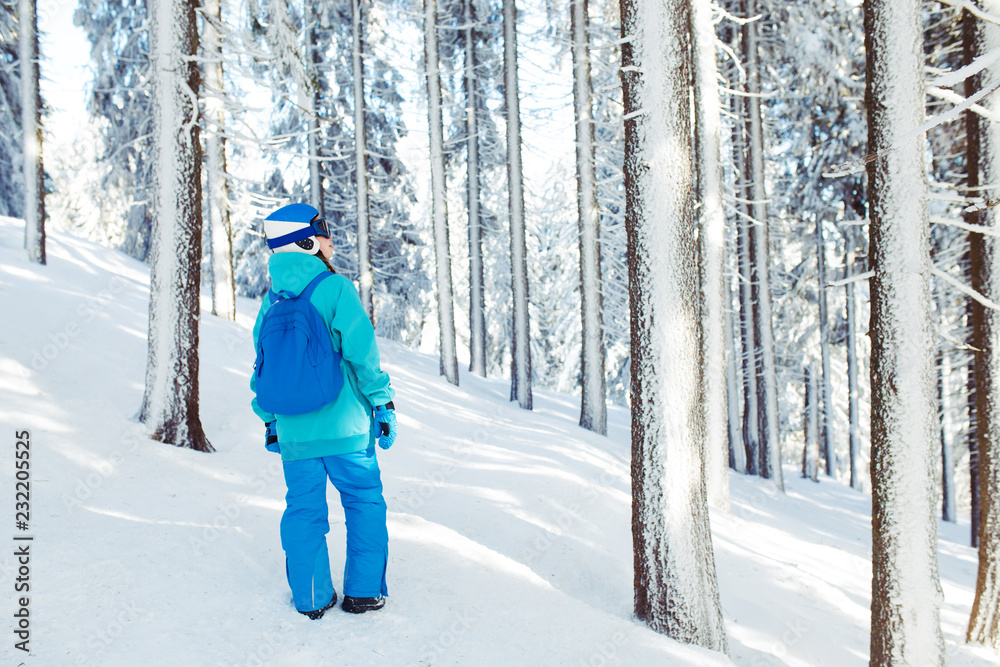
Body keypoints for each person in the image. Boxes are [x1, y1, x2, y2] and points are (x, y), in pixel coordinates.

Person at [250, 203, 397, 619]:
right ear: (306, 240)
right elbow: (362, 355)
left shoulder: (270, 302)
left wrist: (272, 420)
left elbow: (262, 370)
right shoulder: (335, 289)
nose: (332, 238)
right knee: (364, 501)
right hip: (347, 429)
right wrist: (382, 402)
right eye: (323, 230)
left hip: (296, 435)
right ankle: (364, 593)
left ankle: (312, 597)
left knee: (303, 511)